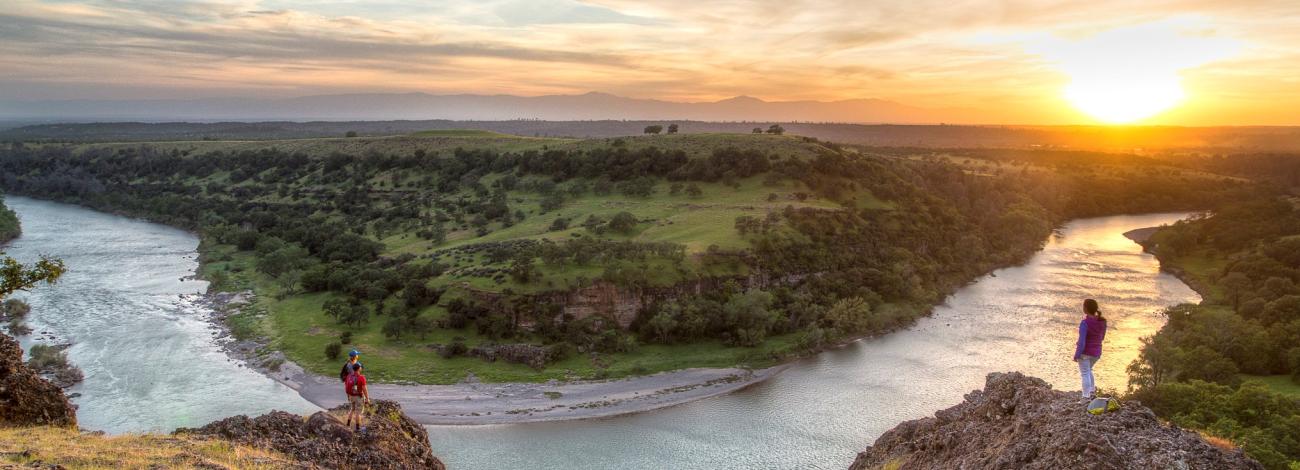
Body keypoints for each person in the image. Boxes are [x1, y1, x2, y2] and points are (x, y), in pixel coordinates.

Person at [1073, 298, 1107, 399]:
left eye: (1083, 306)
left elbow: (1082, 341)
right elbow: (1102, 337)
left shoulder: (1085, 323)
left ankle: (1085, 397)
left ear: (1086, 309)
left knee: (1085, 373)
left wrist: (1077, 354)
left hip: (1085, 353)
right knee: (1088, 370)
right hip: (1096, 353)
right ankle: (1092, 392)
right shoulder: (1102, 321)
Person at [344, 363, 370, 431]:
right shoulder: (361, 377)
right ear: (359, 368)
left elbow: (346, 386)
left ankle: (348, 424)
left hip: (351, 396)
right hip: (358, 397)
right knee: (358, 412)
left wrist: (348, 396)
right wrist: (367, 398)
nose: (361, 368)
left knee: (352, 409)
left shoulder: (349, 376)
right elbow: (364, 389)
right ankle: (358, 428)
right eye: (360, 367)